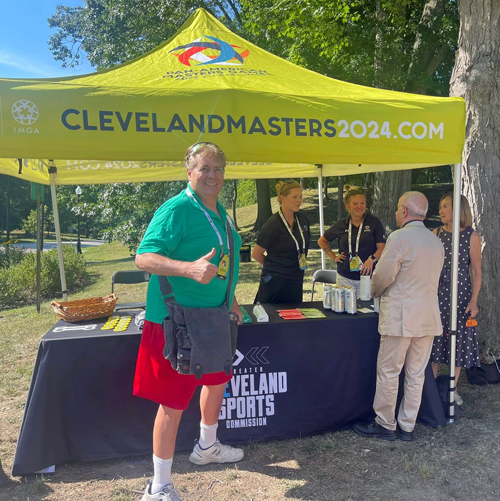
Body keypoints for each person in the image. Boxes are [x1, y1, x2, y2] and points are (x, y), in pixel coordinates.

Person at [134, 142, 244, 501]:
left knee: (217, 382)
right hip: (176, 320)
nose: (212, 175)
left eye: (218, 169)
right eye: (205, 168)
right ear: (189, 171)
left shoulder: (220, 212)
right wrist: (188, 268)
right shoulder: (176, 208)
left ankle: (207, 448)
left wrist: (233, 299)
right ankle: (160, 484)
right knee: (173, 401)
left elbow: (223, 264)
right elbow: (144, 258)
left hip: (214, 317)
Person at [353, 192, 444, 442]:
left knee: (389, 371)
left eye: (396, 209)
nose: (395, 213)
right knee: (416, 373)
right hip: (427, 317)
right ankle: (407, 425)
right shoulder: (436, 241)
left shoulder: (399, 238)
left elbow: (382, 276)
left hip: (401, 317)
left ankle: (385, 423)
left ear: (404, 211)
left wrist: (372, 291)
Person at [430, 194, 482, 405]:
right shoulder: (436, 233)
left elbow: (477, 272)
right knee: (434, 339)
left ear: (458, 209)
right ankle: (432, 391)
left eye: (445, 206)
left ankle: (452, 389)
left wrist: (473, 301)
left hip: (461, 295)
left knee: (457, 341)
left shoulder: (471, 236)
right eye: (440, 206)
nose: (441, 210)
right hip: (437, 292)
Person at [317, 185, 385, 297]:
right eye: (355, 203)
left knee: (365, 310)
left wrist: (372, 259)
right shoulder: (342, 224)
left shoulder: (374, 222)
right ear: (347, 206)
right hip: (344, 277)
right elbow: (322, 241)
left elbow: (382, 248)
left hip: (367, 277)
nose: (359, 206)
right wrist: (333, 257)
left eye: (362, 203)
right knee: (343, 310)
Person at [252, 180, 311, 304]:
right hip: (275, 282)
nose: (299, 200)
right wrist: (274, 268)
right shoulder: (272, 225)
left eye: (300, 197)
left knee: (293, 318)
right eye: (294, 197)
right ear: (282, 198)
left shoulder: (303, 220)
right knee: (272, 319)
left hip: (296, 279)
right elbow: (256, 254)